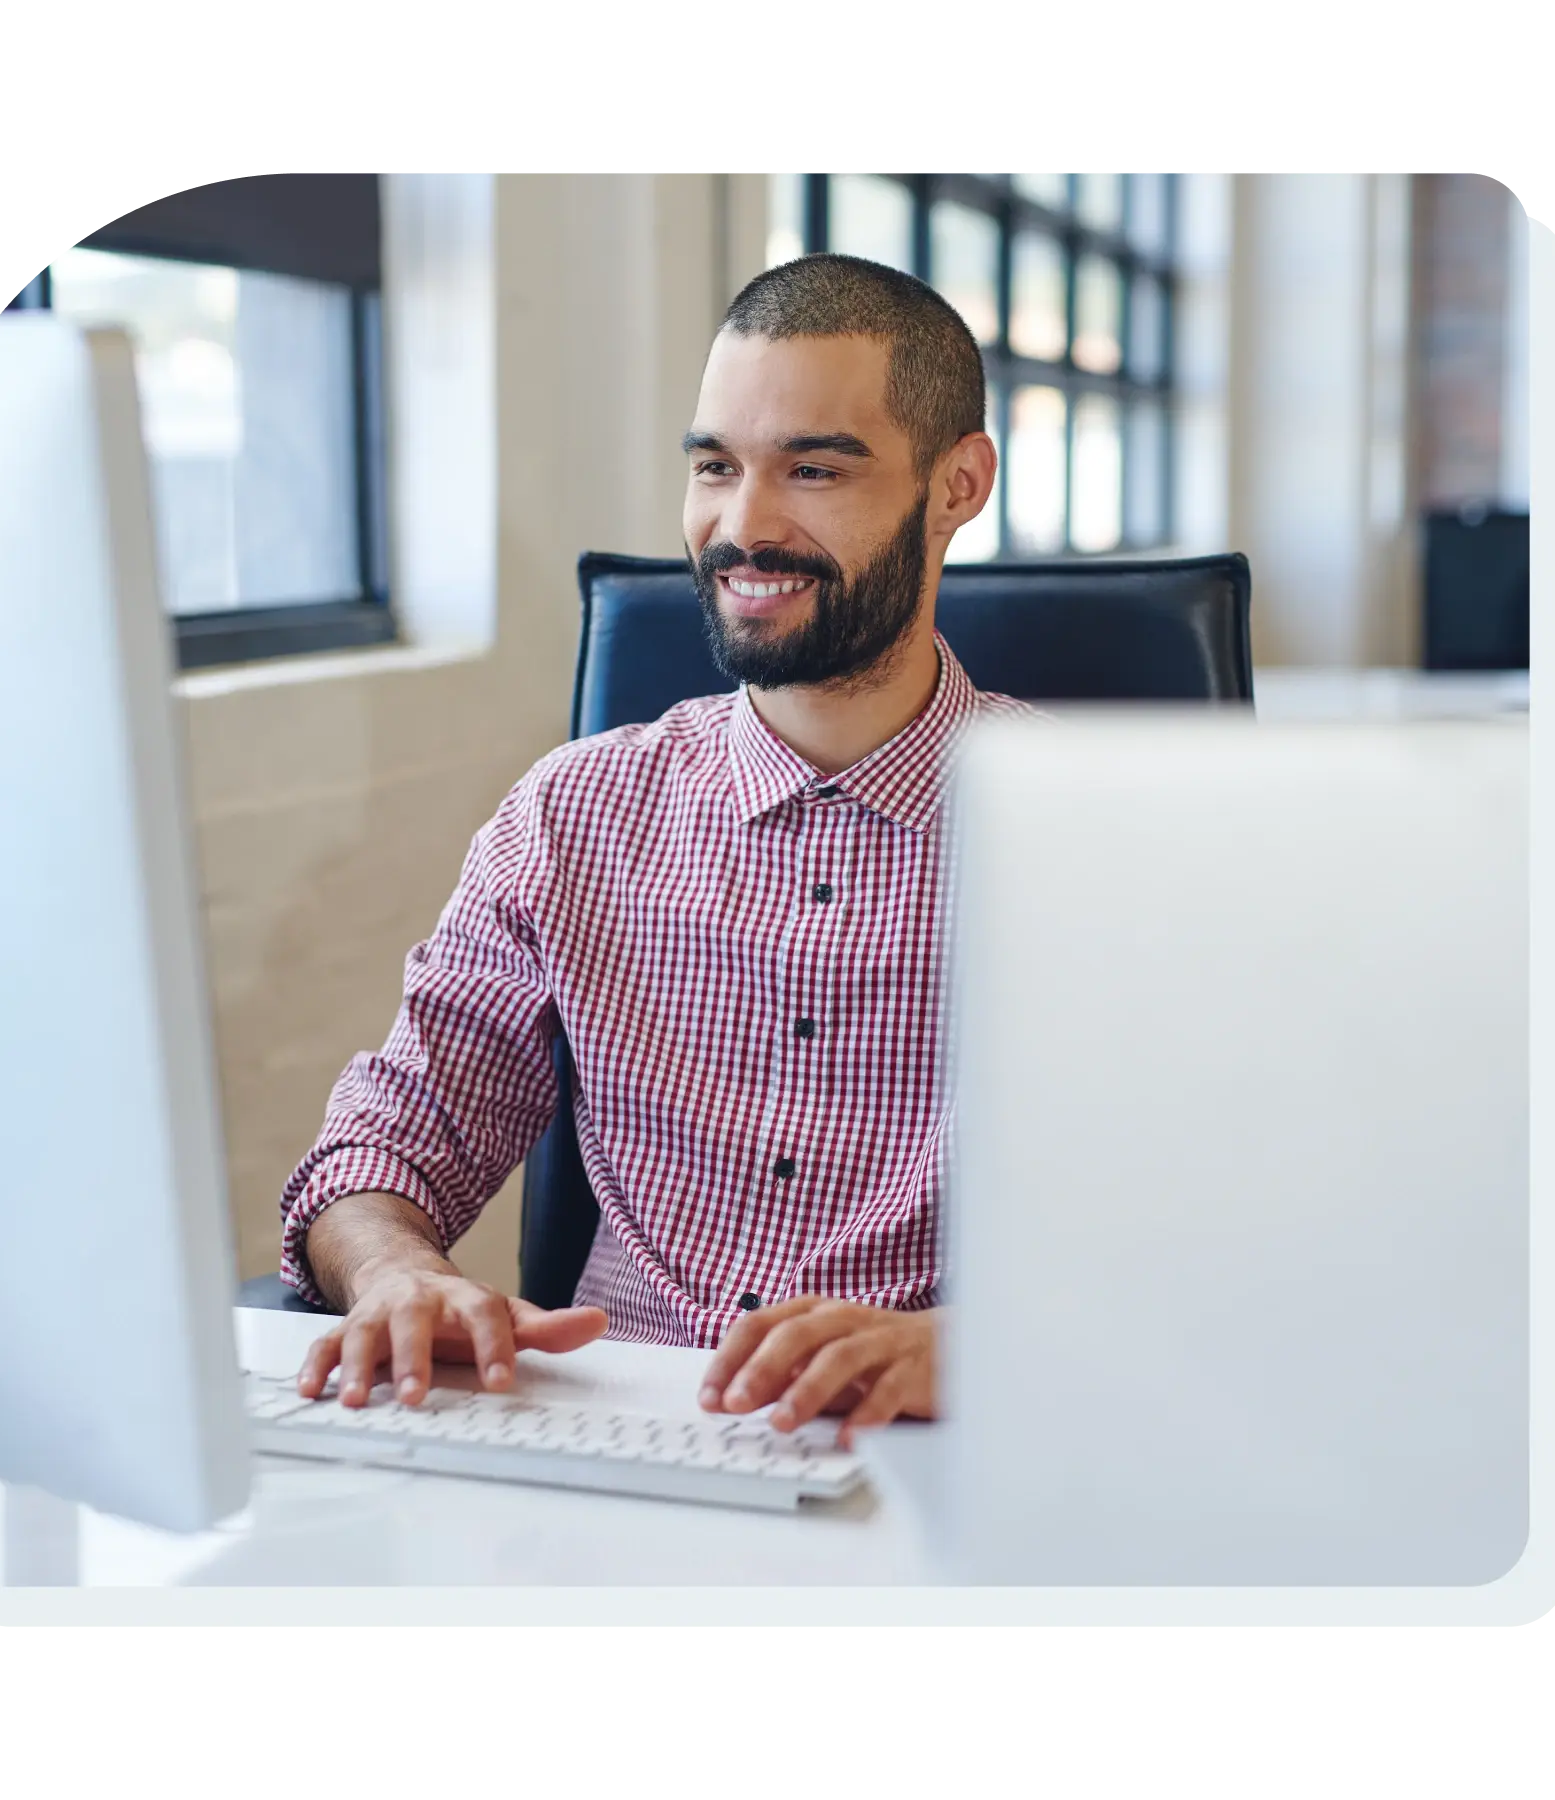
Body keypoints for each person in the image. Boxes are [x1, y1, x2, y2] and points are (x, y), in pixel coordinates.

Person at [282, 252, 1024, 1446]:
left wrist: (989, 1350)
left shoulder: (1106, 843)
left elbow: (1238, 1230)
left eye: (815, 469)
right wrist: (392, 1272)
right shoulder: (573, 816)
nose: (743, 528)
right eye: (715, 467)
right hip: (612, 1443)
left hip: (937, 1459)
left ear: (958, 486)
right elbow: (386, 1142)